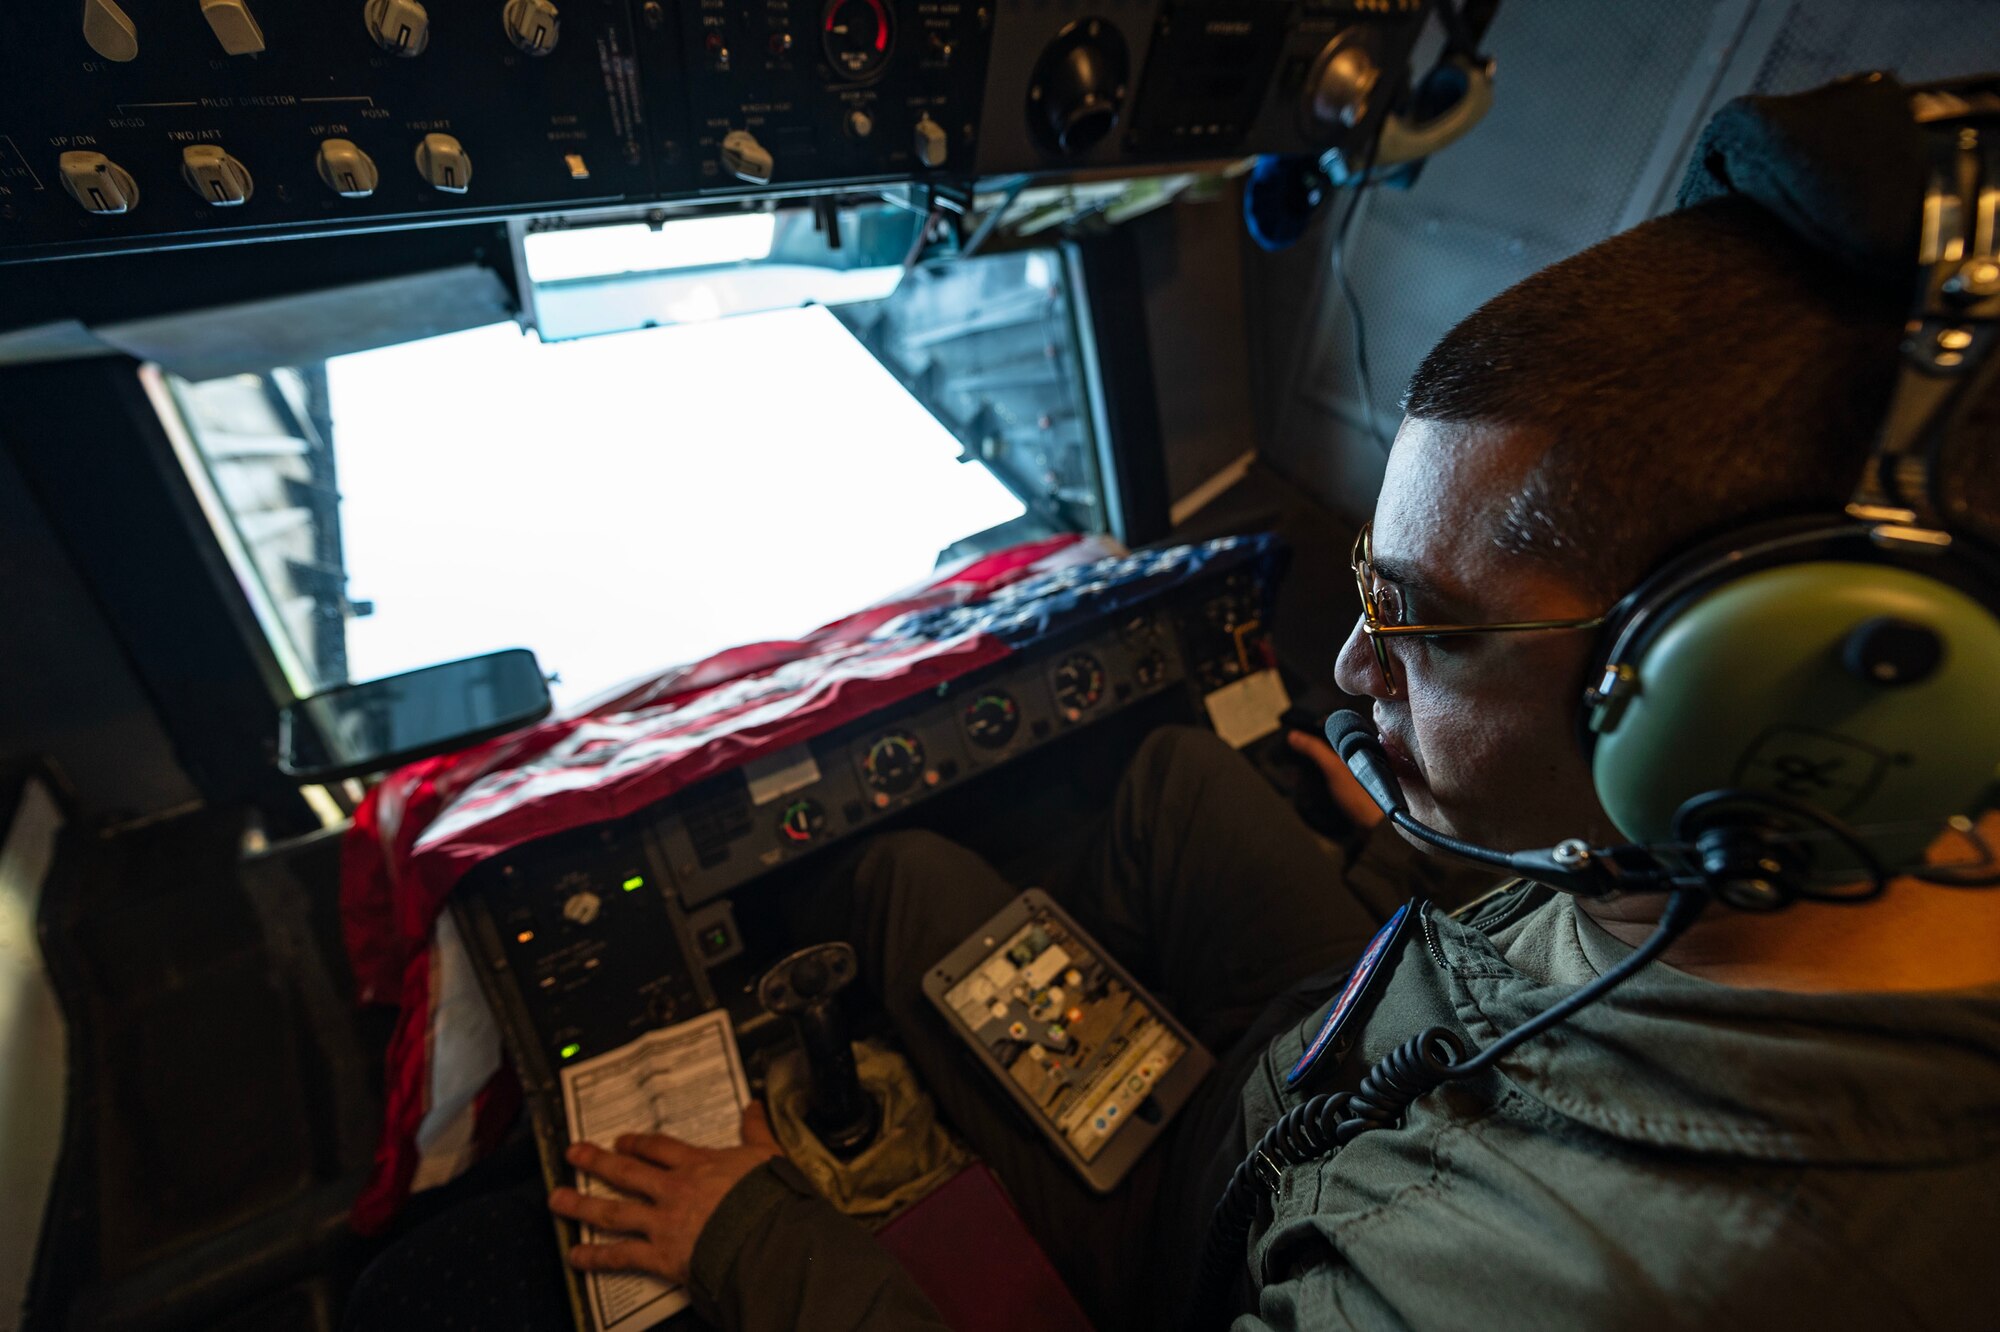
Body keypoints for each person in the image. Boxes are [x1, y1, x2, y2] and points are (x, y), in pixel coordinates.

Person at [363, 85, 2000, 1331]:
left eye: (1426, 628)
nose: (1353, 672)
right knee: (1162, 775)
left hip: (1230, 1206)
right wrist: (1425, 858)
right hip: (1365, 1014)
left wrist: (746, 1240)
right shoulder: (1779, 840)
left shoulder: (1550, 1289)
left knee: (899, 884)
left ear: (1743, 702)